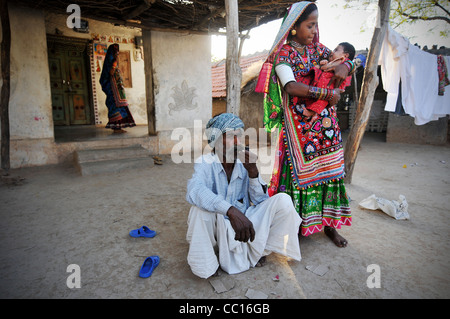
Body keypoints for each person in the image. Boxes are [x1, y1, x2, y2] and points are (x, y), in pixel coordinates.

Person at [256, 2, 356, 247]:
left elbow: (350, 59)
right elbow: (291, 87)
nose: (314, 30)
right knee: (297, 177)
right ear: (293, 27)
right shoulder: (284, 54)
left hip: (327, 126)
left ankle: (329, 226)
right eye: (309, 25)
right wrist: (325, 95)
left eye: (316, 25)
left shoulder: (321, 51)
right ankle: (297, 224)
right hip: (298, 127)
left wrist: (347, 65)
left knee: (331, 173)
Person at [185, 113, 301, 279]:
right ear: (217, 141)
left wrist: (253, 172)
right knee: (198, 212)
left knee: (283, 201)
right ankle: (208, 263)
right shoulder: (205, 162)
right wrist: (230, 210)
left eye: (240, 136)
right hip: (219, 227)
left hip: (244, 226)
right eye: (232, 136)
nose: (238, 142)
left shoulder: (244, 163)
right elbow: (194, 190)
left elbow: (261, 201)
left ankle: (261, 249)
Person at [100, 43, 136, 133]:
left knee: (120, 107)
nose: (117, 53)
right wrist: (115, 62)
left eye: (117, 52)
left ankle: (118, 127)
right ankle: (116, 128)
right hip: (112, 90)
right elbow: (111, 72)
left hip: (117, 91)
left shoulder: (113, 61)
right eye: (116, 51)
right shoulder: (111, 61)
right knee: (115, 107)